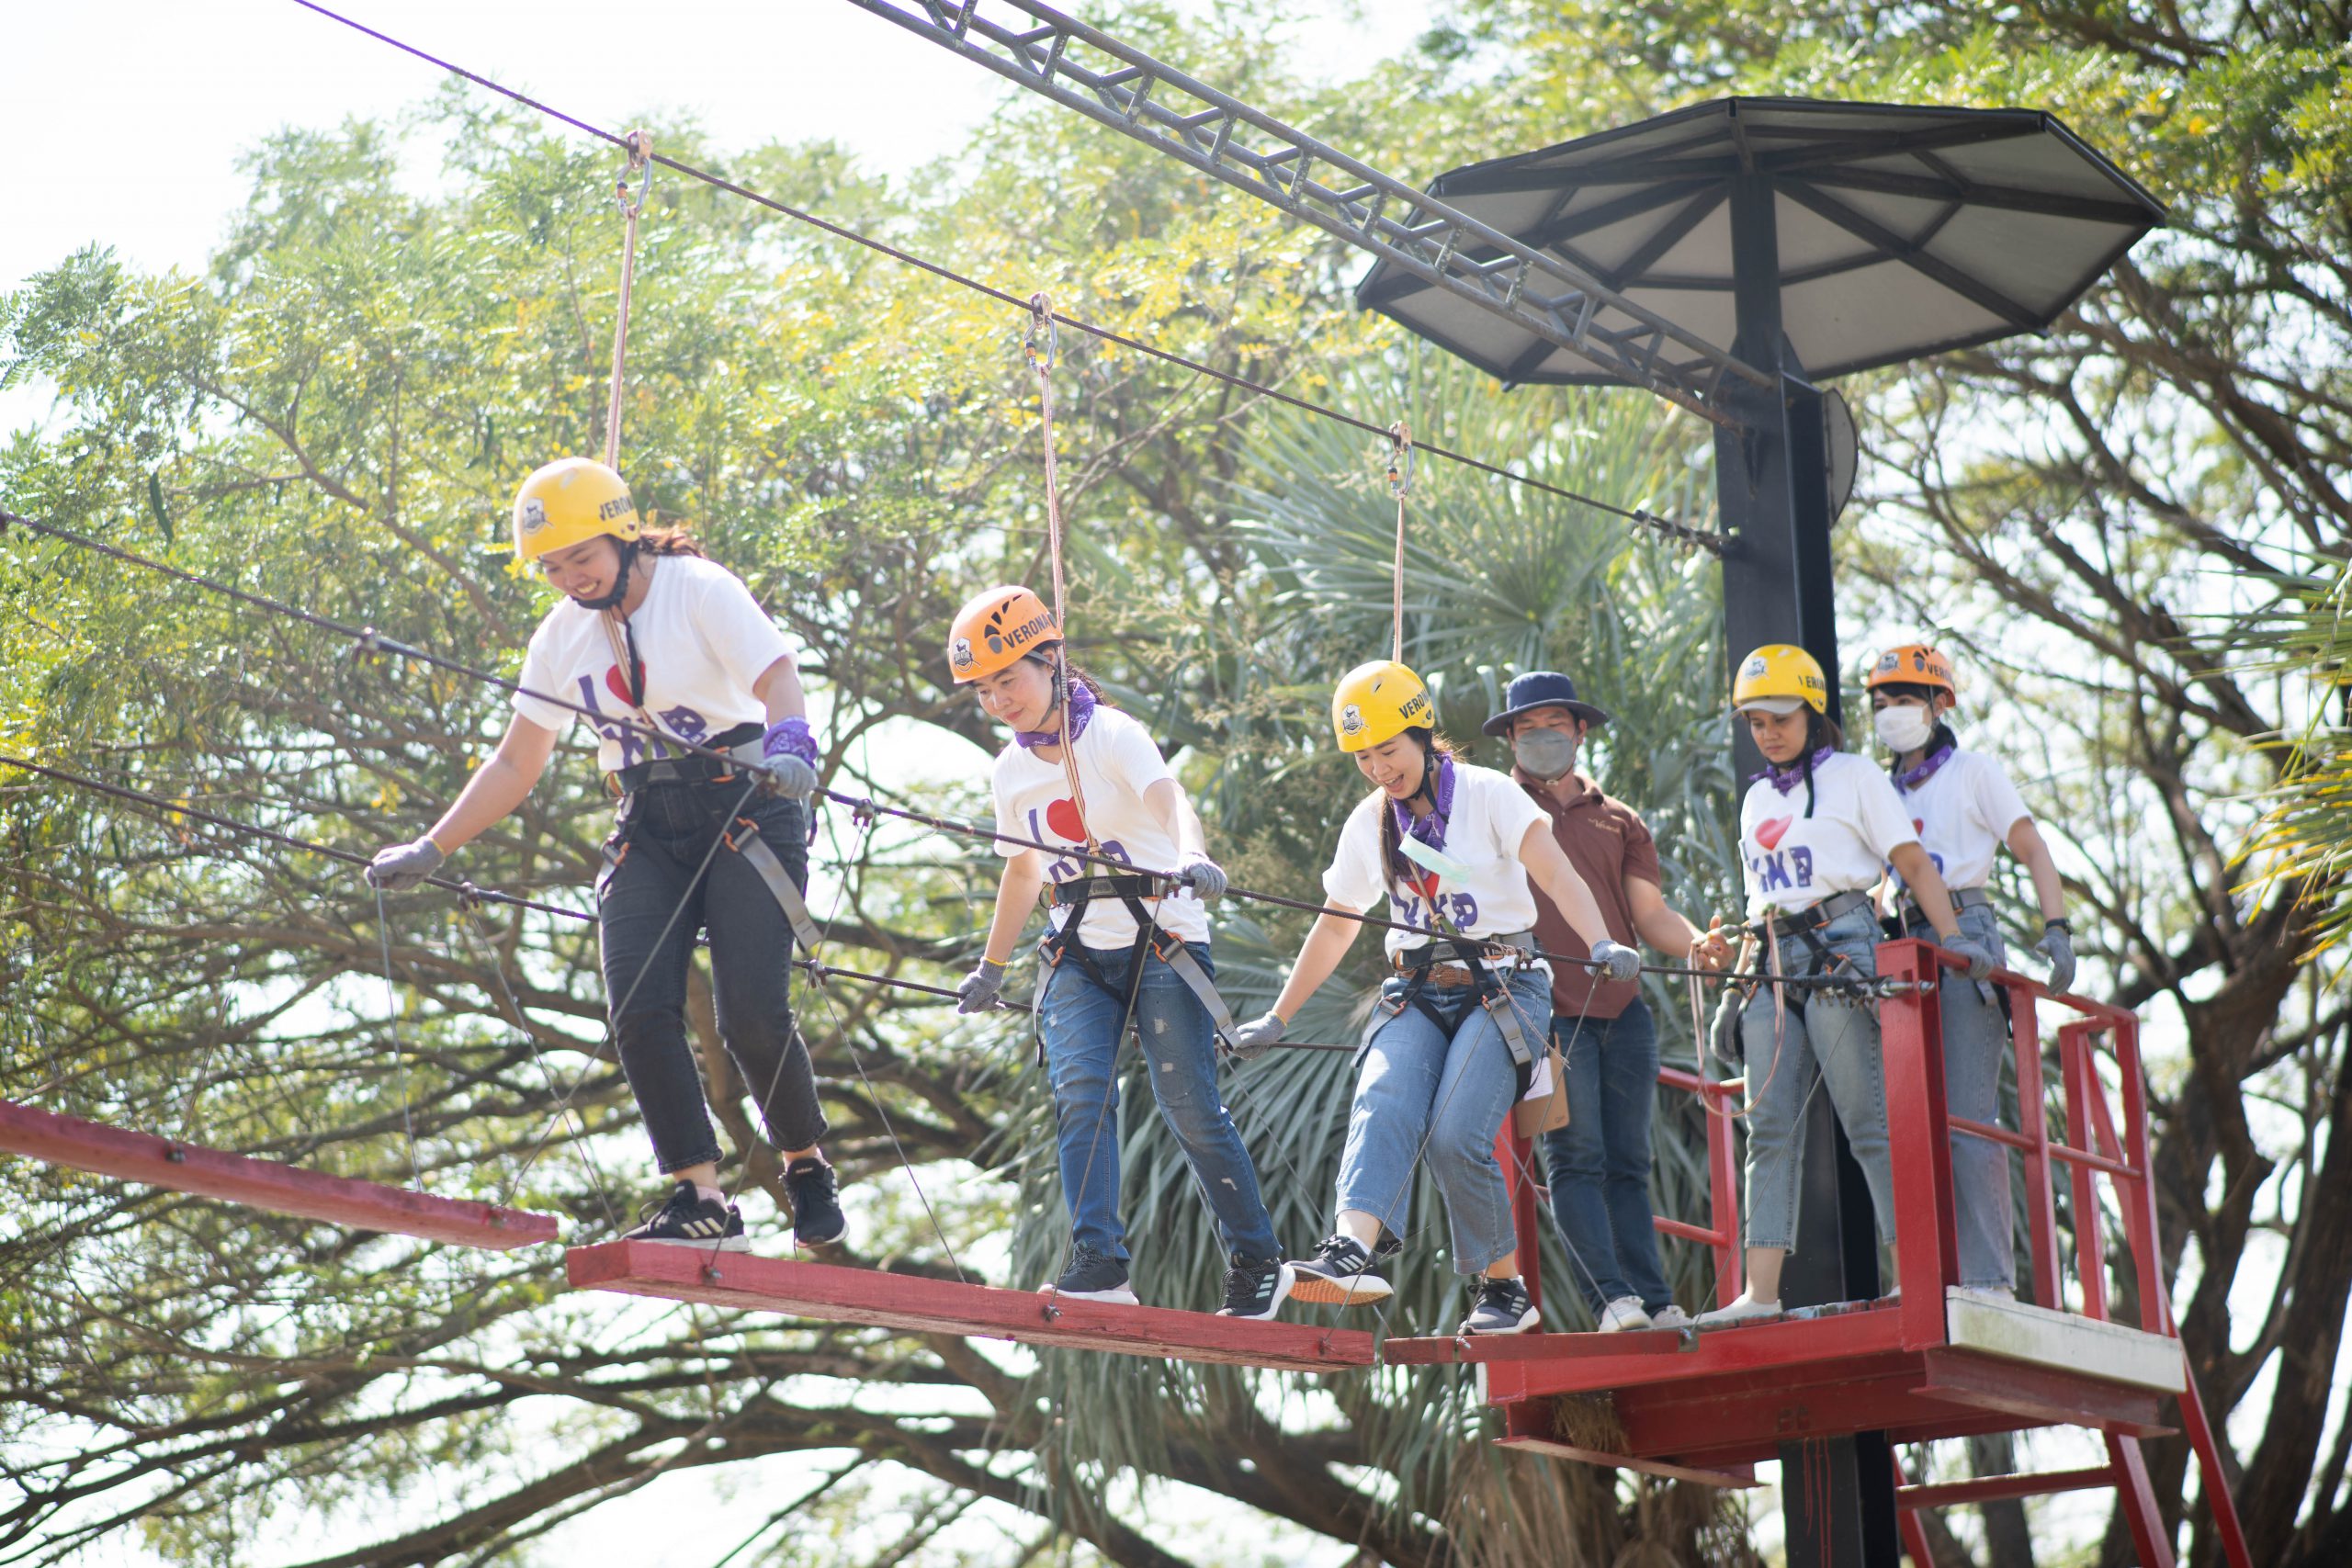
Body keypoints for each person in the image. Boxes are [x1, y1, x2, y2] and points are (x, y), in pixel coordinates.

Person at [367, 457, 843, 1253]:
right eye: (551, 568)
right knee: (636, 1005)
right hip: (647, 818)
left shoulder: (698, 588)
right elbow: (517, 763)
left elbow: (777, 676)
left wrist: (793, 747)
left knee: (750, 1016)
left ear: (624, 534)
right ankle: (700, 1195)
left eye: (580, 558)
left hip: (746, 805)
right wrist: (433, 843)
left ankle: (804, 1164)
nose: (568, 579)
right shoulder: (559, 639)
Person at [1228, 660, 1640, 1336]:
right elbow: (1336, 922)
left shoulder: (1489, 796)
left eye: (1388, 750)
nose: (1378, 768)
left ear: (1422, 734)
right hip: (1417, 988)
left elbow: (1558, 873)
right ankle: (1351, 1250)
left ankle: (1503, 1289)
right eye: (1363, 756)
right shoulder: (1372, 822)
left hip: (1504, 983)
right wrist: (1279, 1015)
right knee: (1383, 1096)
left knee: (1455, 1134)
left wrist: (1598, 941)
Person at [946, 585, 1292, 1320]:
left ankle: (1258, 1257)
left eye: (1008, 678)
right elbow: (1022, 870)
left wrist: (1193, 854)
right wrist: (992, 966)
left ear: (1050, 660)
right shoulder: (1011, 770)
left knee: (1190, 1106)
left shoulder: (1110, 734)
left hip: (1161, 937)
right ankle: (1099, 1262)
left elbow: (1170, 799)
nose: (998, 699)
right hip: (1076, 950)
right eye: (984, 690)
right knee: (1080, 1096)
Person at [1693, 644, 1992, 1328]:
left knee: (1868, 1121)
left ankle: (1914, 1277)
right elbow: (1758, 904)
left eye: (1781, 717)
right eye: (1755, 722)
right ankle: (1760, 1294)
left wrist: (1953, 936)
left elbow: (1909, 859)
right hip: (1772, 956)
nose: (1768, 732)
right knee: (1766, 1125)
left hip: (1839, 948)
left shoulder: (1856, 777)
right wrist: (1736, 988)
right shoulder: (1757, 797)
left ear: (1812, 711)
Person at [1485, 671, 1731, 1334]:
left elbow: (1648, 913)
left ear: (1580, 730)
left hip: (1626, 1014)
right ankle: (1610, 1300)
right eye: (1526, 728)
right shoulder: (1492, 810)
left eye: (1554, 725)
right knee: (1577, 1158)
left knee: (1628, 1162)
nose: (1541, 738)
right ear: (1509, 736)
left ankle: (1653, 1298)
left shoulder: (1616, 817)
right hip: (1544, 1014)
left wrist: (1693, 948)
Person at [1867, 642, 2075, 1303]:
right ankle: (1924, 1277)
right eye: (1881, 703)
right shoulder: (1882, 788)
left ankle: (1988, 1280)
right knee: (1904, 1118)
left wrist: (2057, 927)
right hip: (1902, 942)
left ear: (1939, 704)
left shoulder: (1974, 773)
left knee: (1966, 1114)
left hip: (1966, 935)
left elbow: (2031, 845)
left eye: (1904, 700)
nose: (1891, 713)